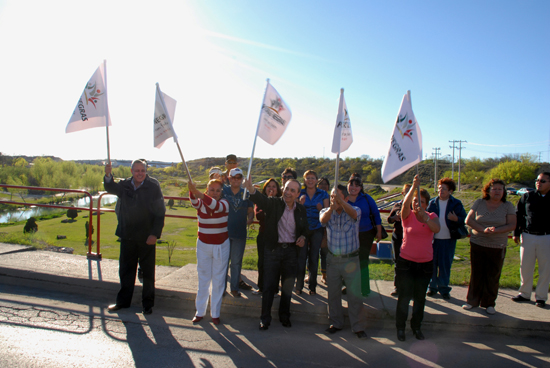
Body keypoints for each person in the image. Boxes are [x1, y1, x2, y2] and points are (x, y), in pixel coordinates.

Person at [244, 176, 309, 330]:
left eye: (292, 190)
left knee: (287, 287)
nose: (288, 192)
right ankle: (264, 319)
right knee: (268, 286)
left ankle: (284, 316)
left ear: (298, 194)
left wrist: (303, 237)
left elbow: (306, 228)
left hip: (291, 252)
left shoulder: (301, 209)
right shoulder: (274, 203)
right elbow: (261, 200)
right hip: (273, 250)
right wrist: (251, 189)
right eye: (286, 188)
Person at [104, 160, 166, 315]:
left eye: (142, 170)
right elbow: (110, 187)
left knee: (147, 273)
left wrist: (155, 234)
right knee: (126, 271)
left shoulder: (153, 186)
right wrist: (108, 174)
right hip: (127, 235)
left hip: (146, 237)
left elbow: (160, 212)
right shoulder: (124, 185)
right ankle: (123, 302)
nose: (140, 173)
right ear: (131, 171)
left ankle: (147, 305)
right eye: (137, 170)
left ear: (146, 171)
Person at [396, 175, 440, 341]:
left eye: (421, 201)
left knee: (420, 299)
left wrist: (426, 217)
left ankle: (416, 327)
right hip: (406, 263)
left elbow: (436, 229)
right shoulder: (407, 216)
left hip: (425, 265)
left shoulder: (432, 215)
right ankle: (400, 328)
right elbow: (405, 205)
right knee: (404, 298)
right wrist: (414, 187)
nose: (417, 204)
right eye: (416, 201)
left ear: (427, 203)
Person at [321, 185, 368, 340]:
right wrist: (331, 208)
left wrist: (341, 202)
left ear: (346, 198)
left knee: (355, 295)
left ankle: (358, 326)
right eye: (333, 196)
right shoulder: (326, 211)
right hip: (333, 259)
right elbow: (323, 220)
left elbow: (354, 214)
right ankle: (336, 323)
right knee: (333, 294)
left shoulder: (355, 210)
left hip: (351, 259)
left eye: (339, 196)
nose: (335, 199)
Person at [464, 179, 516, 315]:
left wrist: (496, 230)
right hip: (478, 243)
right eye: (494, 188)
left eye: (500, 189)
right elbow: (468, 220)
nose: (497, 191)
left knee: (493, 275)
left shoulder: (508, 206)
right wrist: (483, 229)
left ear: (504, 192)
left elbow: (512, 225)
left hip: (497, 245)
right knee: (477, 273)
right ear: (488, 190)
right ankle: (472, 301)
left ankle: (489, 303)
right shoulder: (479, 202)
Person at [188, 179, 230, 325]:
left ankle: (215, 314)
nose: (215, 193)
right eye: (212, 189)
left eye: (218, 190)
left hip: (221, 246)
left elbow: (215, 205)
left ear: (221, 192)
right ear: (207, 189)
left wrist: (198, 193)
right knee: (203, 278)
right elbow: (194, 201)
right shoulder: (201, 203)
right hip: (203, 245)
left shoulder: (224, 203)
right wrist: (192, 191)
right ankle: (200, 311)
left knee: (218, 280)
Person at [512, 172, 550, 308]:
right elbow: (519, 215)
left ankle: (541, 297)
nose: (539, 183)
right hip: (528, 236)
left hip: (546, 237)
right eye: (537, 180)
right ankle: (524, 294)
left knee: (545, 269)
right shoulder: (527, 196)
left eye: (543, 181)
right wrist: (516, 233)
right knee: (525, 266)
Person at [426, 178, 467, 300]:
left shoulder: (456, 203)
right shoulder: (432, 203)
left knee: (445, 265)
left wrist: (456, 219)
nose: (441, 190)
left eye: (444, 188)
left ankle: (444, 289)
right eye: (439, 188)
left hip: (448, 240)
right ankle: (431, 287)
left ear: (450, 191)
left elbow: (464, 218)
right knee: (431, 265)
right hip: (433, 240)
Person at [347, 173, 382, 297]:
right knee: (349, 261)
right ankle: (349, 286)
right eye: (351, 185)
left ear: (361, 188)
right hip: (348, 235)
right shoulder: (343, 199)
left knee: (362, 261)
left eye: (357, 186)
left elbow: (376, 214)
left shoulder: (367, 198)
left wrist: (378, 231)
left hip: (365, 234)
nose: (353, 188)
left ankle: (364, 288)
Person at [222, 167, 254, 297]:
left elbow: (250, 210)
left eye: (239, 177)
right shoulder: (223, 190)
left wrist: (251, 218)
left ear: (242, 179)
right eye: (233, 177)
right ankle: (221, 288)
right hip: (223, 232)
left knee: (236, 262)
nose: (236, 180)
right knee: (223, 262)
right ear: (229, 178)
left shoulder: (246, 192)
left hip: (239, 233)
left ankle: (234, 287)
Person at [297, 170, 329, 295]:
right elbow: (294, 210)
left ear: (316, 180)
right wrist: (300, 204)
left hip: (317, 229)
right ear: (304, 180)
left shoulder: (323, 194)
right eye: (307, 178)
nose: (310, 180)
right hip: (303, 230)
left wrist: (321, 210)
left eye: (313, 178)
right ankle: (299, 286)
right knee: (301, 257)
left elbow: (327, 213)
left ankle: (312, 287)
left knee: (314, 258)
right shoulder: (300, 193)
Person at [253, 178, 283, 295]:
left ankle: (274, 289)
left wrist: (271, 202)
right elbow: (260, 216)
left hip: (277, 236)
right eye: (268, 186)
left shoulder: (281, 201)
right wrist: (268, 201)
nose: (271, 188)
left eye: (274, 186)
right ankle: (261, 287)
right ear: (265, 189)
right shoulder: (260, 201)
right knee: (262, 262)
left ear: (278, 189)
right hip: (263, 235)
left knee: (275, 264)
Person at [387, 184, 412, 296]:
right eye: (406, 191)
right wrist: (395, 218)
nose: (407, 193)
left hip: (411, 239)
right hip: (398, 237)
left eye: (410, 191)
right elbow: (389, 219)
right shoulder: (398, 205)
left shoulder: (414, 206)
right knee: (398, 262)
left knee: (410, 263)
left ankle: (409, 287)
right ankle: (397, 286)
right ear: (402, 193)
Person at [317, 177, 331, 284]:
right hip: (314, 227)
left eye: (325, 184)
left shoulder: (332, 198)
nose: (323, 186)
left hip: (327, 229)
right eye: (321, 184)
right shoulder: (315, 196)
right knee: (311, 253)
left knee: (324, 253)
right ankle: (310, 274)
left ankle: (324, 275)